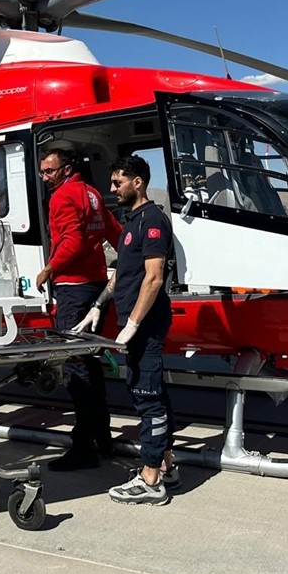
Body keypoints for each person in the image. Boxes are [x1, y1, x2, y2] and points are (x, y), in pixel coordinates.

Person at [89, 154, 177, 505]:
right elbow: (120, 276)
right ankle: (166, 465)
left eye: (117, 182)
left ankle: (151, 479)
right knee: (151, 394)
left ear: (136, 182)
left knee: (148, 400)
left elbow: (154, 277)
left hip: (146, 325)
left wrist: (135, 324)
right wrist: (98, 305)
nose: (112, 189)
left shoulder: (153, 221)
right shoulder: (132, 222)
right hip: (131, 322)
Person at [35, 147, 122, 471]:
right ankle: (102, 437)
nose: (45, 177)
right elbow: (113, 231)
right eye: (43, 171)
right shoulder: (92, 193)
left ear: (66, 168)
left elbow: (70, 240)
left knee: (76, 368)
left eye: (49, 171)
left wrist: (48, 269)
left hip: (73, 288)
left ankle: (83, 446)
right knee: (90, 363)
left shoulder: (63, 197)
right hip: (95, 284)